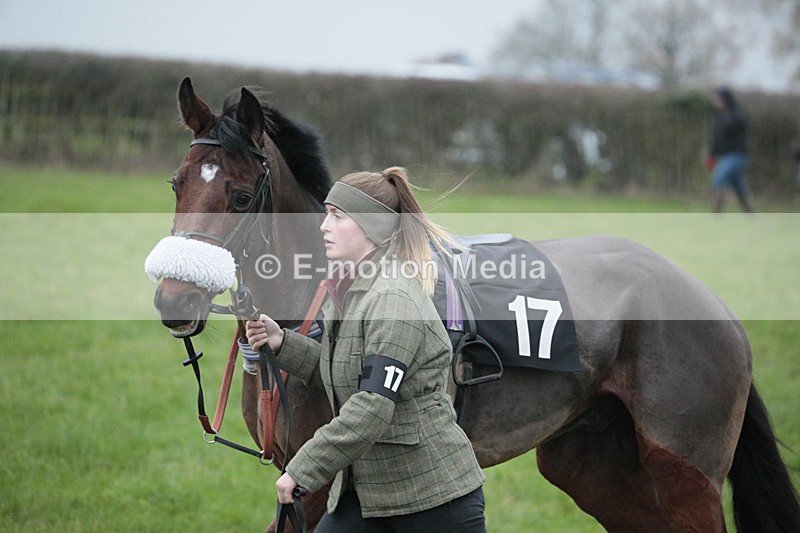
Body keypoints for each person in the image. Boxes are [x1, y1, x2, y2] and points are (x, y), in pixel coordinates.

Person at [245, 167, 487, 532]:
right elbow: (342, 368)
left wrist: (303, 468)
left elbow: (371, 405)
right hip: (368, 497)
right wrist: (283, 343)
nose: (324, 226)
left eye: (337, 216)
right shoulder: (353, 289)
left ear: (370, 227)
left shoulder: (392, 299)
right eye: (325, 214)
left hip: (435, 503)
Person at [708, 86, 754, 213]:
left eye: (717, 98)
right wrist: (711, 155)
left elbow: (736, 123)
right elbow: (716, 138)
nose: (714, 101)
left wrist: (727, 113)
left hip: (737, 156)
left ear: (725, 99)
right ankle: (751, 215)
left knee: (718, 181)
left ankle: (714, 216)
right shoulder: (717, 116)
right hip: (724, 156)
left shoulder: (736, 113)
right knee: (739, 187)